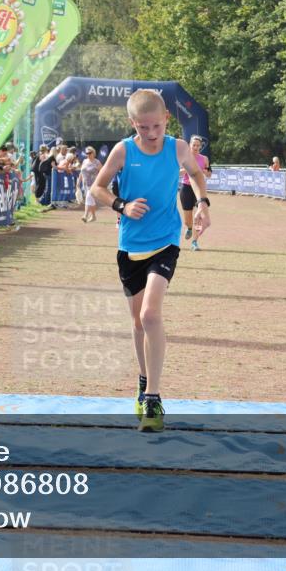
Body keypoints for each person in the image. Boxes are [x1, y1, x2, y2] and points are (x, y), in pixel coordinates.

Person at [90, 89, 210, 432]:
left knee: (150, 314)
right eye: (143, 128)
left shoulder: (178, 148)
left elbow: (198, 176)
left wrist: (203, 204)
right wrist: (121, 206)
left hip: (165, 242)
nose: (151, 134)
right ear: (132, 124)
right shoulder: (123, 151)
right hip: (130, 246)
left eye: (156, 126)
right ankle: (143, 384)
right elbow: (97, 189)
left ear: (166, 120)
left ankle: (154, 398)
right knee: (138, 323)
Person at [179, 135, 210, 250]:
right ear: (189, 145)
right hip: (186, 188)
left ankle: (194, 242)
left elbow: (209, 173)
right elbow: (179, 173)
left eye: (198, 145)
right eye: (194, 145)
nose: (196, 147)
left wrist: (204, 171)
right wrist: (191, 169)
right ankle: (189, 228)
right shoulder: (184, 157)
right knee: (188, 219)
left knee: (199, 217)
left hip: (199, 189)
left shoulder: (204, 159)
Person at [79, 146, 102, 223]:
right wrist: (78, 182)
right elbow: (81, 172)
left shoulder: (97, 162)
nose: (88, 154)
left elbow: (102, 172)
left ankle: (85, 215)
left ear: (93, 153)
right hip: (85, 184)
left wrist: (100, 182)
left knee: (89, 197)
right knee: (90, 200)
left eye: (89, 153)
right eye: (87, 153)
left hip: (94, 184)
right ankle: (94, 216)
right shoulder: (84, 161)